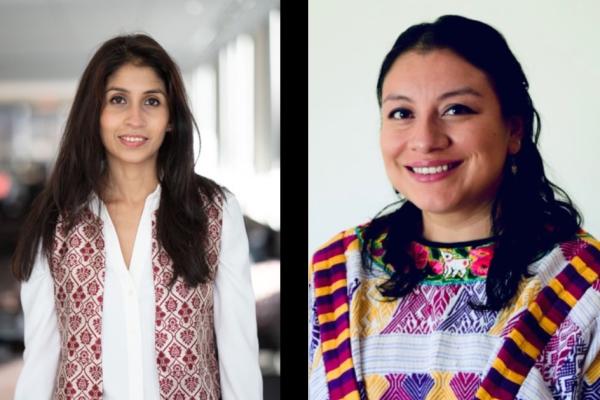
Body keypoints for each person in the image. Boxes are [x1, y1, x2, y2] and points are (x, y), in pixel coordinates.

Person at [309, 15, 600, 400]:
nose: (425, 140)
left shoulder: (584, 287)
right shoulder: (333, 274)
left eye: (456, 109)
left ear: (514, 130)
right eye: (402, 113)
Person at [12, 33, 262, 400]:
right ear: (94, 114)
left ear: (170, 118)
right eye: (118, 100)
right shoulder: (55, 221)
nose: (135, 118)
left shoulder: (215, 211)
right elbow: (40, 359)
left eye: (151, 101)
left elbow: (239, 354)